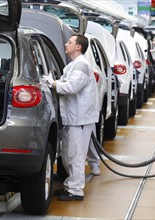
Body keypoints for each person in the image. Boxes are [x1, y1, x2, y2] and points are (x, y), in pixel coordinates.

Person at [42, 34, 100, 201]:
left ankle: (76, 191)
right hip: (73, 119)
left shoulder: (81, 65)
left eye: (70, 42)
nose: (66, 44)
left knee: (75, 156)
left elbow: (71, 87)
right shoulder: (73, 65)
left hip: (80, 119)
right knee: (69, 156)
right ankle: (70, 186)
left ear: (78, 47)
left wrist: (52, 83)